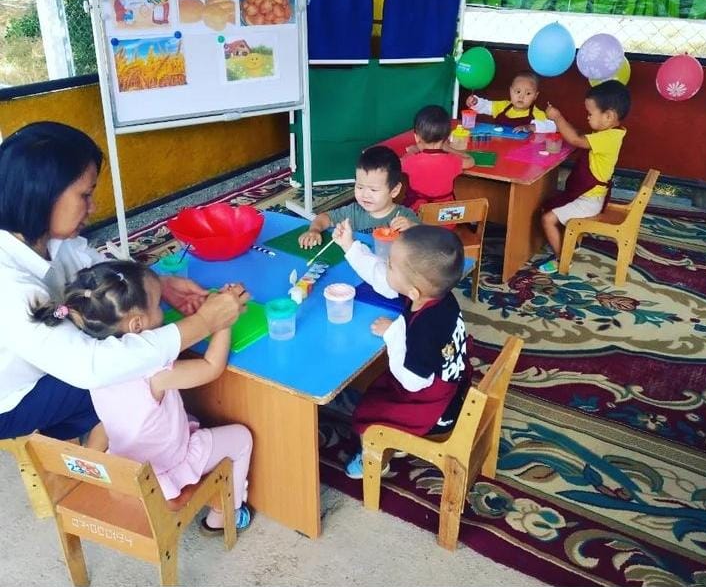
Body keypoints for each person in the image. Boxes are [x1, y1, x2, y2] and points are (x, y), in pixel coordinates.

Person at [0, 121, 245, 448]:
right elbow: (92, 366)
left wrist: (158, 285)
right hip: (11, 400)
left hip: (49, 359)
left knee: (117, 320)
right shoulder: (9, 284)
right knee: (129, 377)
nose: (92, 207)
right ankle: (105, 452)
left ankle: (91, 434)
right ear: (43, 195)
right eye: (85, 195)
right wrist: (204, 323)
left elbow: (99, 272)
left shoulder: (50, 238)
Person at [31, 259, 254, 534]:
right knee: (241, 438)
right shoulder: (154, 371)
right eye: (158, 304)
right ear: (137, 324)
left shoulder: (95, 369)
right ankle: (226, 514)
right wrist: (223, 321)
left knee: (178, 418)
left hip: (127, 469)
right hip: (164, 471)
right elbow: (211, 367)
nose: (162, 310)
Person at [332, 220, 469, 479]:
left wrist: (393, 333)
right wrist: (349, 246)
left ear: (413, 291)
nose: (386, 265)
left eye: (391, 265)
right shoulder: (436, 295)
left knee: (368, 413)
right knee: (377, 385)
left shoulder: (426, 327)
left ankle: (374, 461)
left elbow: (412, 381)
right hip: (448, 383)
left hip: (431, 405)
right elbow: (381, 278)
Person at [538, 80, 632, 274]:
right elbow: (579, 135)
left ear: (608, 116)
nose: (587, 117)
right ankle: (569, 244)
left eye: (590, 113)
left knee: (547, 219)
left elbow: (575, 139)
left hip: (589, 201)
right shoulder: (610, 133)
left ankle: (562, 260)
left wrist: (557, 117)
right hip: (589, 196)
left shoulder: (608, 138)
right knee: (550, 202)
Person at [298, 145, 419, 247]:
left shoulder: (405, 216)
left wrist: (413, 227)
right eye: (360, 187)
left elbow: (425, 241)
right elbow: (325, 217)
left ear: (394, 190)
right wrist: (314, 230)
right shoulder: (354, 212)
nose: (365, 194)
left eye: (373, 190)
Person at [401, 105, 475, 212]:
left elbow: (400, 163)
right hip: (445, 217)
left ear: (416, 137)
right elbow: (471, 160)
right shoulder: (452, 161)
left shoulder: (409, 160)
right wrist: (449, 149)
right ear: (447, 137)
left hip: (417, 216)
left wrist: (412, 151)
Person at [465, 70, 556, 133]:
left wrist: (531, 127)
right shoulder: (502, 106)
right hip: (499, 146)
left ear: (535, 96)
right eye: (518, 92)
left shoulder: (537, 114)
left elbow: (553, 126)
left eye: (528, 93)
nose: (521, 96)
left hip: (522, 152)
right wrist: (476, 102)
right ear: (510, 91)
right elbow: (486, 106)